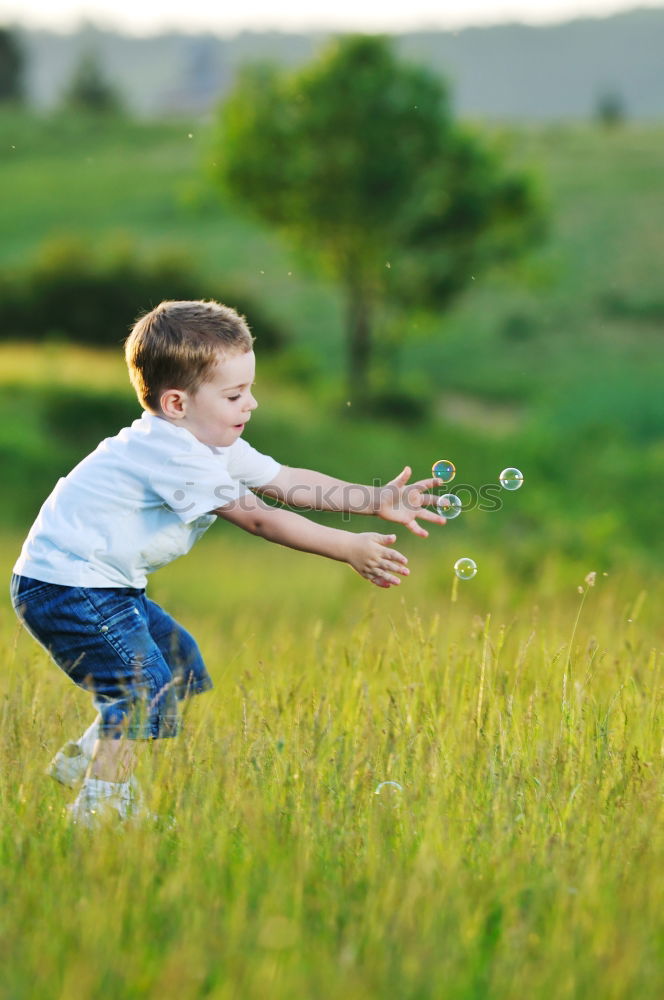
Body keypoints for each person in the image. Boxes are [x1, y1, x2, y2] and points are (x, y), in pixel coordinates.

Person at [10, 299, 445, 827]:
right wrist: (348, 548)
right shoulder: (173, 454)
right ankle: (99, 810)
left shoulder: (209, 441)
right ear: (176, 403)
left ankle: (86, 754)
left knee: (178, 663)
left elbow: (286, 482)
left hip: (102, 585)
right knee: (142, 687)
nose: (252, 404)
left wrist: (373, 499)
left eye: (250, 390)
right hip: (68, 586)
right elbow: (261, 518)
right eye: (236, 394)